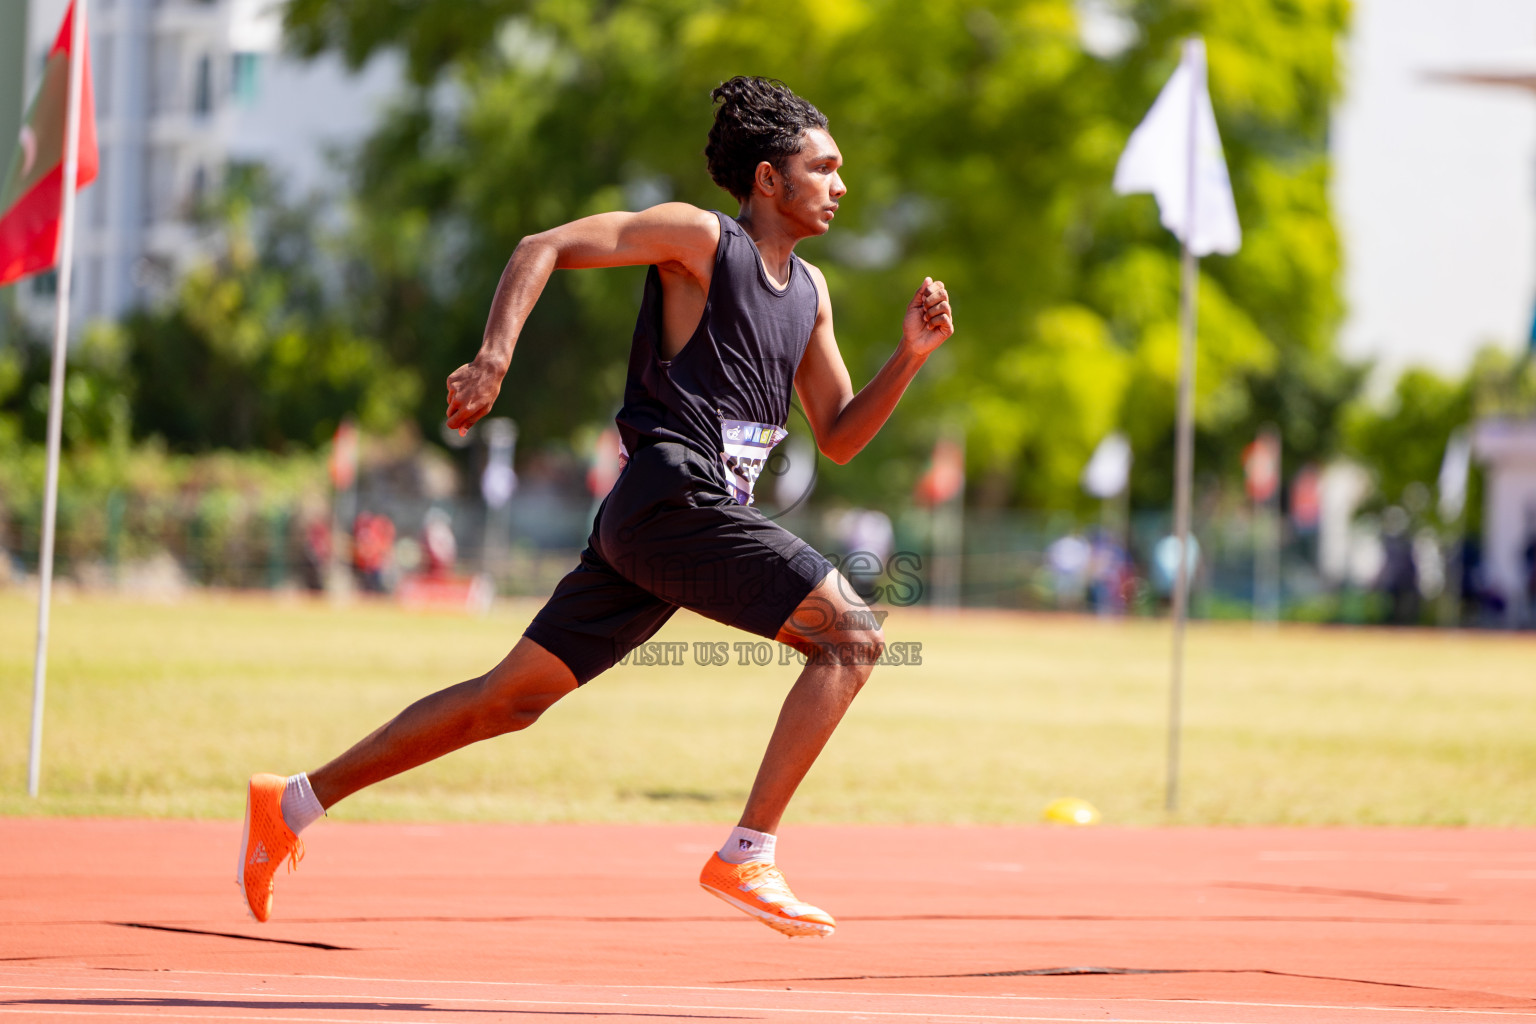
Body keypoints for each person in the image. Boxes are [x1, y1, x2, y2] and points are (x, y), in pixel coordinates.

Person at [237, 76, 954, 939]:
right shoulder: (699, 240)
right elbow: (543, 245)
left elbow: (837, 434)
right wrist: (493, 358)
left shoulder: (812, 294)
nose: (841, 185)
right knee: (854, 634)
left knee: (507, 701)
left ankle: (292, 803)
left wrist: (909, 358)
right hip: (670, 496)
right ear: (769, 178)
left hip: (668, 526)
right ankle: (747, 850)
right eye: (824, 167)